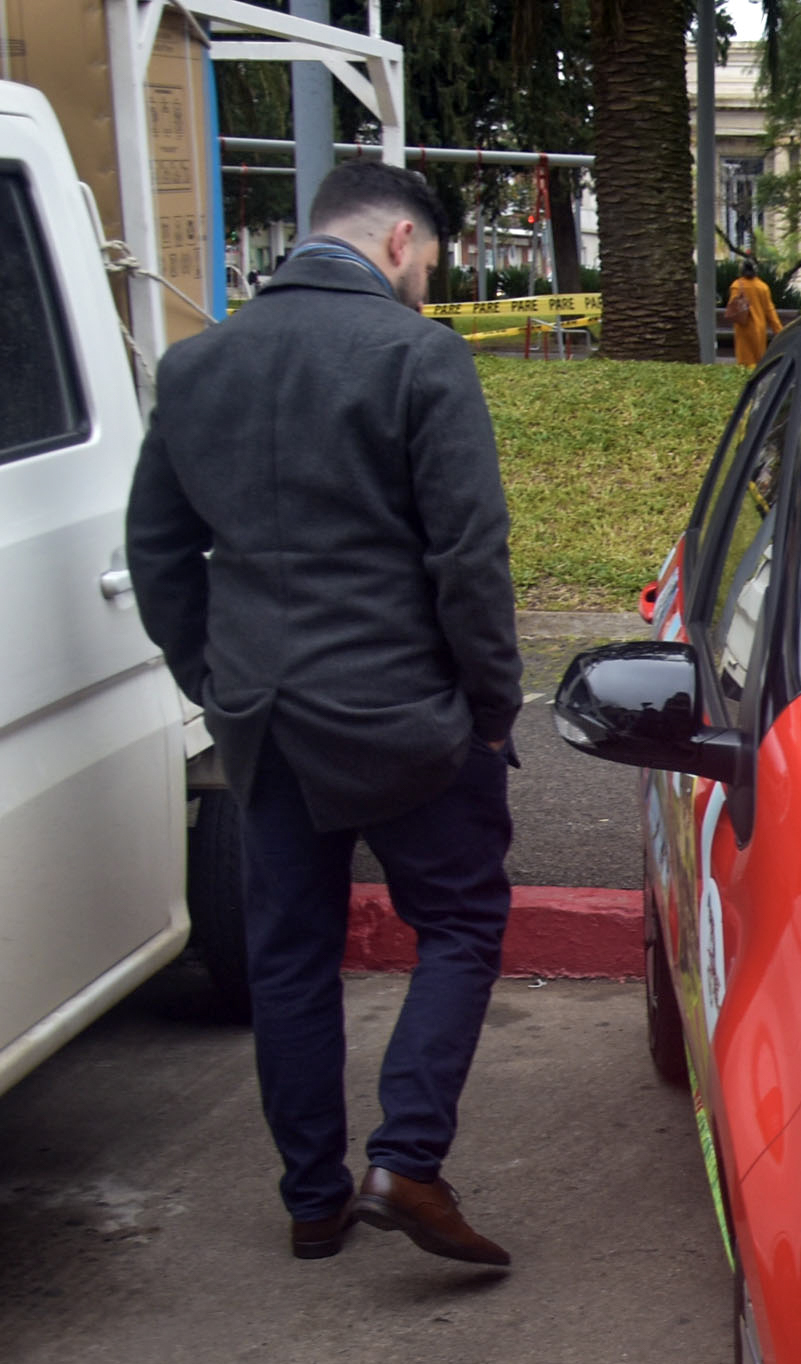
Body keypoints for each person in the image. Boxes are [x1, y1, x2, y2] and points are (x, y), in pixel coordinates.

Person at [126, 161, 521, 1268]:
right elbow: (468, 555)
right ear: (399, 241)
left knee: (290, 954)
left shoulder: (196, 365)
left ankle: (313, 1199)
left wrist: (215, 679)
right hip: (408, 716)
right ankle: (407, 1162)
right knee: (461, 923)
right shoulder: (417, 355)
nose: (426, 283)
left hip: (263, 717)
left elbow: (158, 553)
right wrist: (492, 704)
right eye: (429, 263)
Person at [725, 257, 781, 368]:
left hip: (742, 328)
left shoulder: (736, 286)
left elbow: (733, 306)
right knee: (758, 361)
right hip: (759, 329)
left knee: (744, 362)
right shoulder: (763, 287)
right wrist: (779, 331)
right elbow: (770, 311)